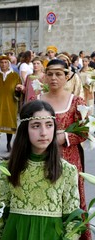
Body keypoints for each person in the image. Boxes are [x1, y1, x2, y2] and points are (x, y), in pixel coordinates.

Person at [0, 100, 80, 240]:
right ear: (25, 129)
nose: (44, 133)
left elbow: (73, 219)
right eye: (36, 126)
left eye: (49, 125)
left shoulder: (67, 170)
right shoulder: (9, 168)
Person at [36, 59, 91, 239]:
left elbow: (84, 131)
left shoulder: (77, 102)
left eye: (59, 74)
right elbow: (26, 129)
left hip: (69, 159)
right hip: (41, 159)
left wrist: (64, 137)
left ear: (67, 76)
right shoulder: (36, 101)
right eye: (50, 73)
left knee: (69, 202)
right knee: (44, 199)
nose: (54, 78)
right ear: (44, 76)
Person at [0, 54, 22, 156]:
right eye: (1, 62)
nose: (3, 64)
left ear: (9, 63)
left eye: (6, 62)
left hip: (11, 104)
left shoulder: (15, 76)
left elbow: (19, 91)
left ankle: (8, 145)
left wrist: (17, 91)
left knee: (9, 124)